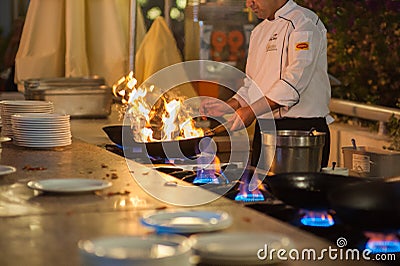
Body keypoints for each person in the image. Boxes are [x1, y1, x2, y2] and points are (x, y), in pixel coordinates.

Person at [200, 0, 332, 169]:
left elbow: (294, 82)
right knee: (262, 193)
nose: (250, 4)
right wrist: (230, 105)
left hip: (302, 131)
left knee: (296, 194)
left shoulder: (304, 22)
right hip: (265, 130)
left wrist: (251, 111)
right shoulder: (258, 32)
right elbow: (252, 85)